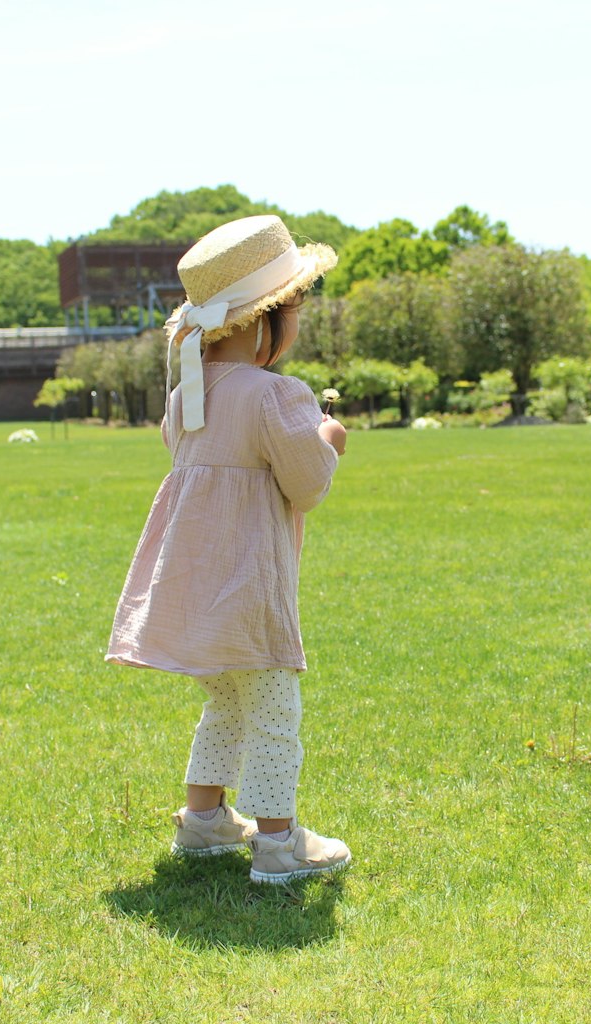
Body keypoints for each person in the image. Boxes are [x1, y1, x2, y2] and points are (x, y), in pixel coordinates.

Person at [106, 215, 351, 884]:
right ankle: (279, 844)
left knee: (227, 702)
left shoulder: (188, 393)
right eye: (294, 307)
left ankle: (206, 819)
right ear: (261, 321)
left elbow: (197, 455)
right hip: (248, 584)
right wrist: (328, 440)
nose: (298, 320)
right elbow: (306, 485)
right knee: (275, 713)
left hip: (192, 588)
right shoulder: (277, 394)